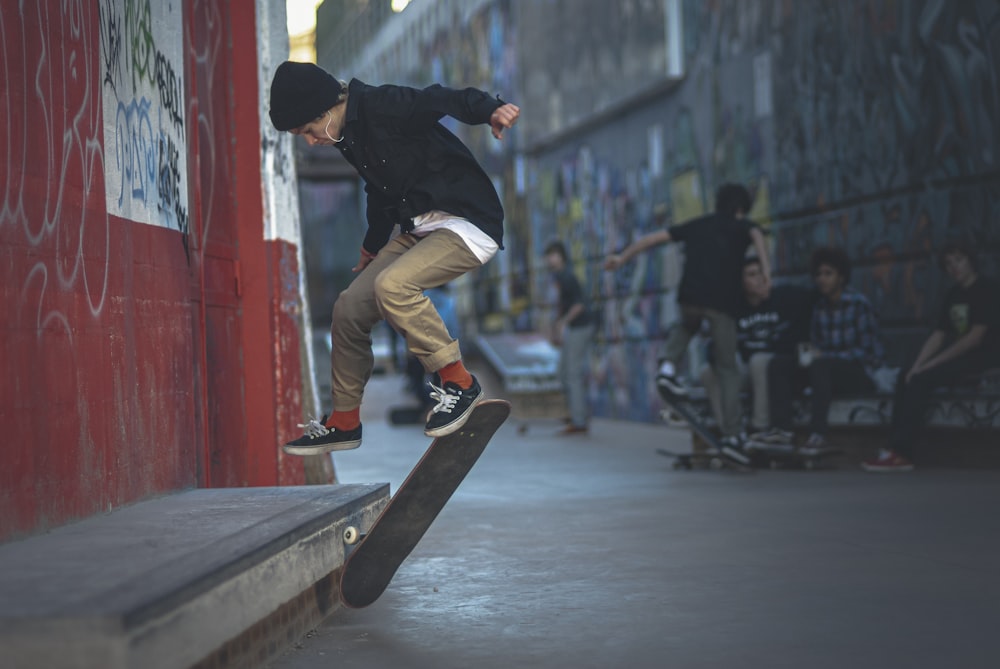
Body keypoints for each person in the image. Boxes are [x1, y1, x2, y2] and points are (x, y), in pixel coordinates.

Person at [268, 61, 520, 454]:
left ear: (325, 110)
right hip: (420, 229)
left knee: (394, 286)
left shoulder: (382, 104)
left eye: (308, 131)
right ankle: (345, 421)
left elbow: (440, 98)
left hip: (468, 222)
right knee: (349, 308)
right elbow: (381, 193)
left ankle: (459, 382)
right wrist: (371, 246)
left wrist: (490, 109)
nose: (311, 142)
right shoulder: (350, 138)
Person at [604, 183, 771, 455]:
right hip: (722, 304)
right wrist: (767, 275)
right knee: (728, 369)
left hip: (690, 298)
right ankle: (732, 435)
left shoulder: (698, 224)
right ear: (740, 209)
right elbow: (758, 237)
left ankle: (668, 368)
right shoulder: (742, 226)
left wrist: (622, 258)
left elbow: (651, 240)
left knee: (686, 326)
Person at [863, 242, 1000, 472]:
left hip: (987, 357)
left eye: (958, 260)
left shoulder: (987, 289)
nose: (953, 267)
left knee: (921, 379)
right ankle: (892, 449)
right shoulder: (953, 294)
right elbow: (939, 334)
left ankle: (902, 453)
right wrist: (917, 365)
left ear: (970, 261)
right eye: (948, 264)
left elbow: (974, 338)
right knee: (907, 375)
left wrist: (930, 365)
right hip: (963, 358)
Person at [767, 246, 884, 451]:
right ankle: (782, 432)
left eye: (828, 274)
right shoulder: (819, 307)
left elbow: (870, 354)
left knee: (821, 365)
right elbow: (816, 346)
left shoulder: (858, 304)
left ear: (841, 277)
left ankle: (818, 435)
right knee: (779, 364)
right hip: (824, 373)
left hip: (858, 374)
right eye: (819, 274)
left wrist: (825, 357)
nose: (822, 279)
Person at [700, 257, 816, 442]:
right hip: (747, 371)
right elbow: (714, 347)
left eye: (762, 273)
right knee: (708, 372)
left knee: (759, 361)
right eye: (752, 275)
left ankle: (760, 428)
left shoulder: (786, 297)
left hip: (778, 370)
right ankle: (731, 433)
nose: (760, 279)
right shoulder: (733, 310)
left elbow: (815, 296)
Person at [544, 240, 595, 435]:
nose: (550, 259)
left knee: (572, 374)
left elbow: (580, 304)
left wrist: (563, 323)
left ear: (561, 256)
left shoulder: (567, 277)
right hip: (574, 327)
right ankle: (575, 412)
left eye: (553, 255)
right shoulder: (558, 277)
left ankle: (579, 420)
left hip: (580, 326)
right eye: (548, 255)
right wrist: (556, 326)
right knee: (564, 372)